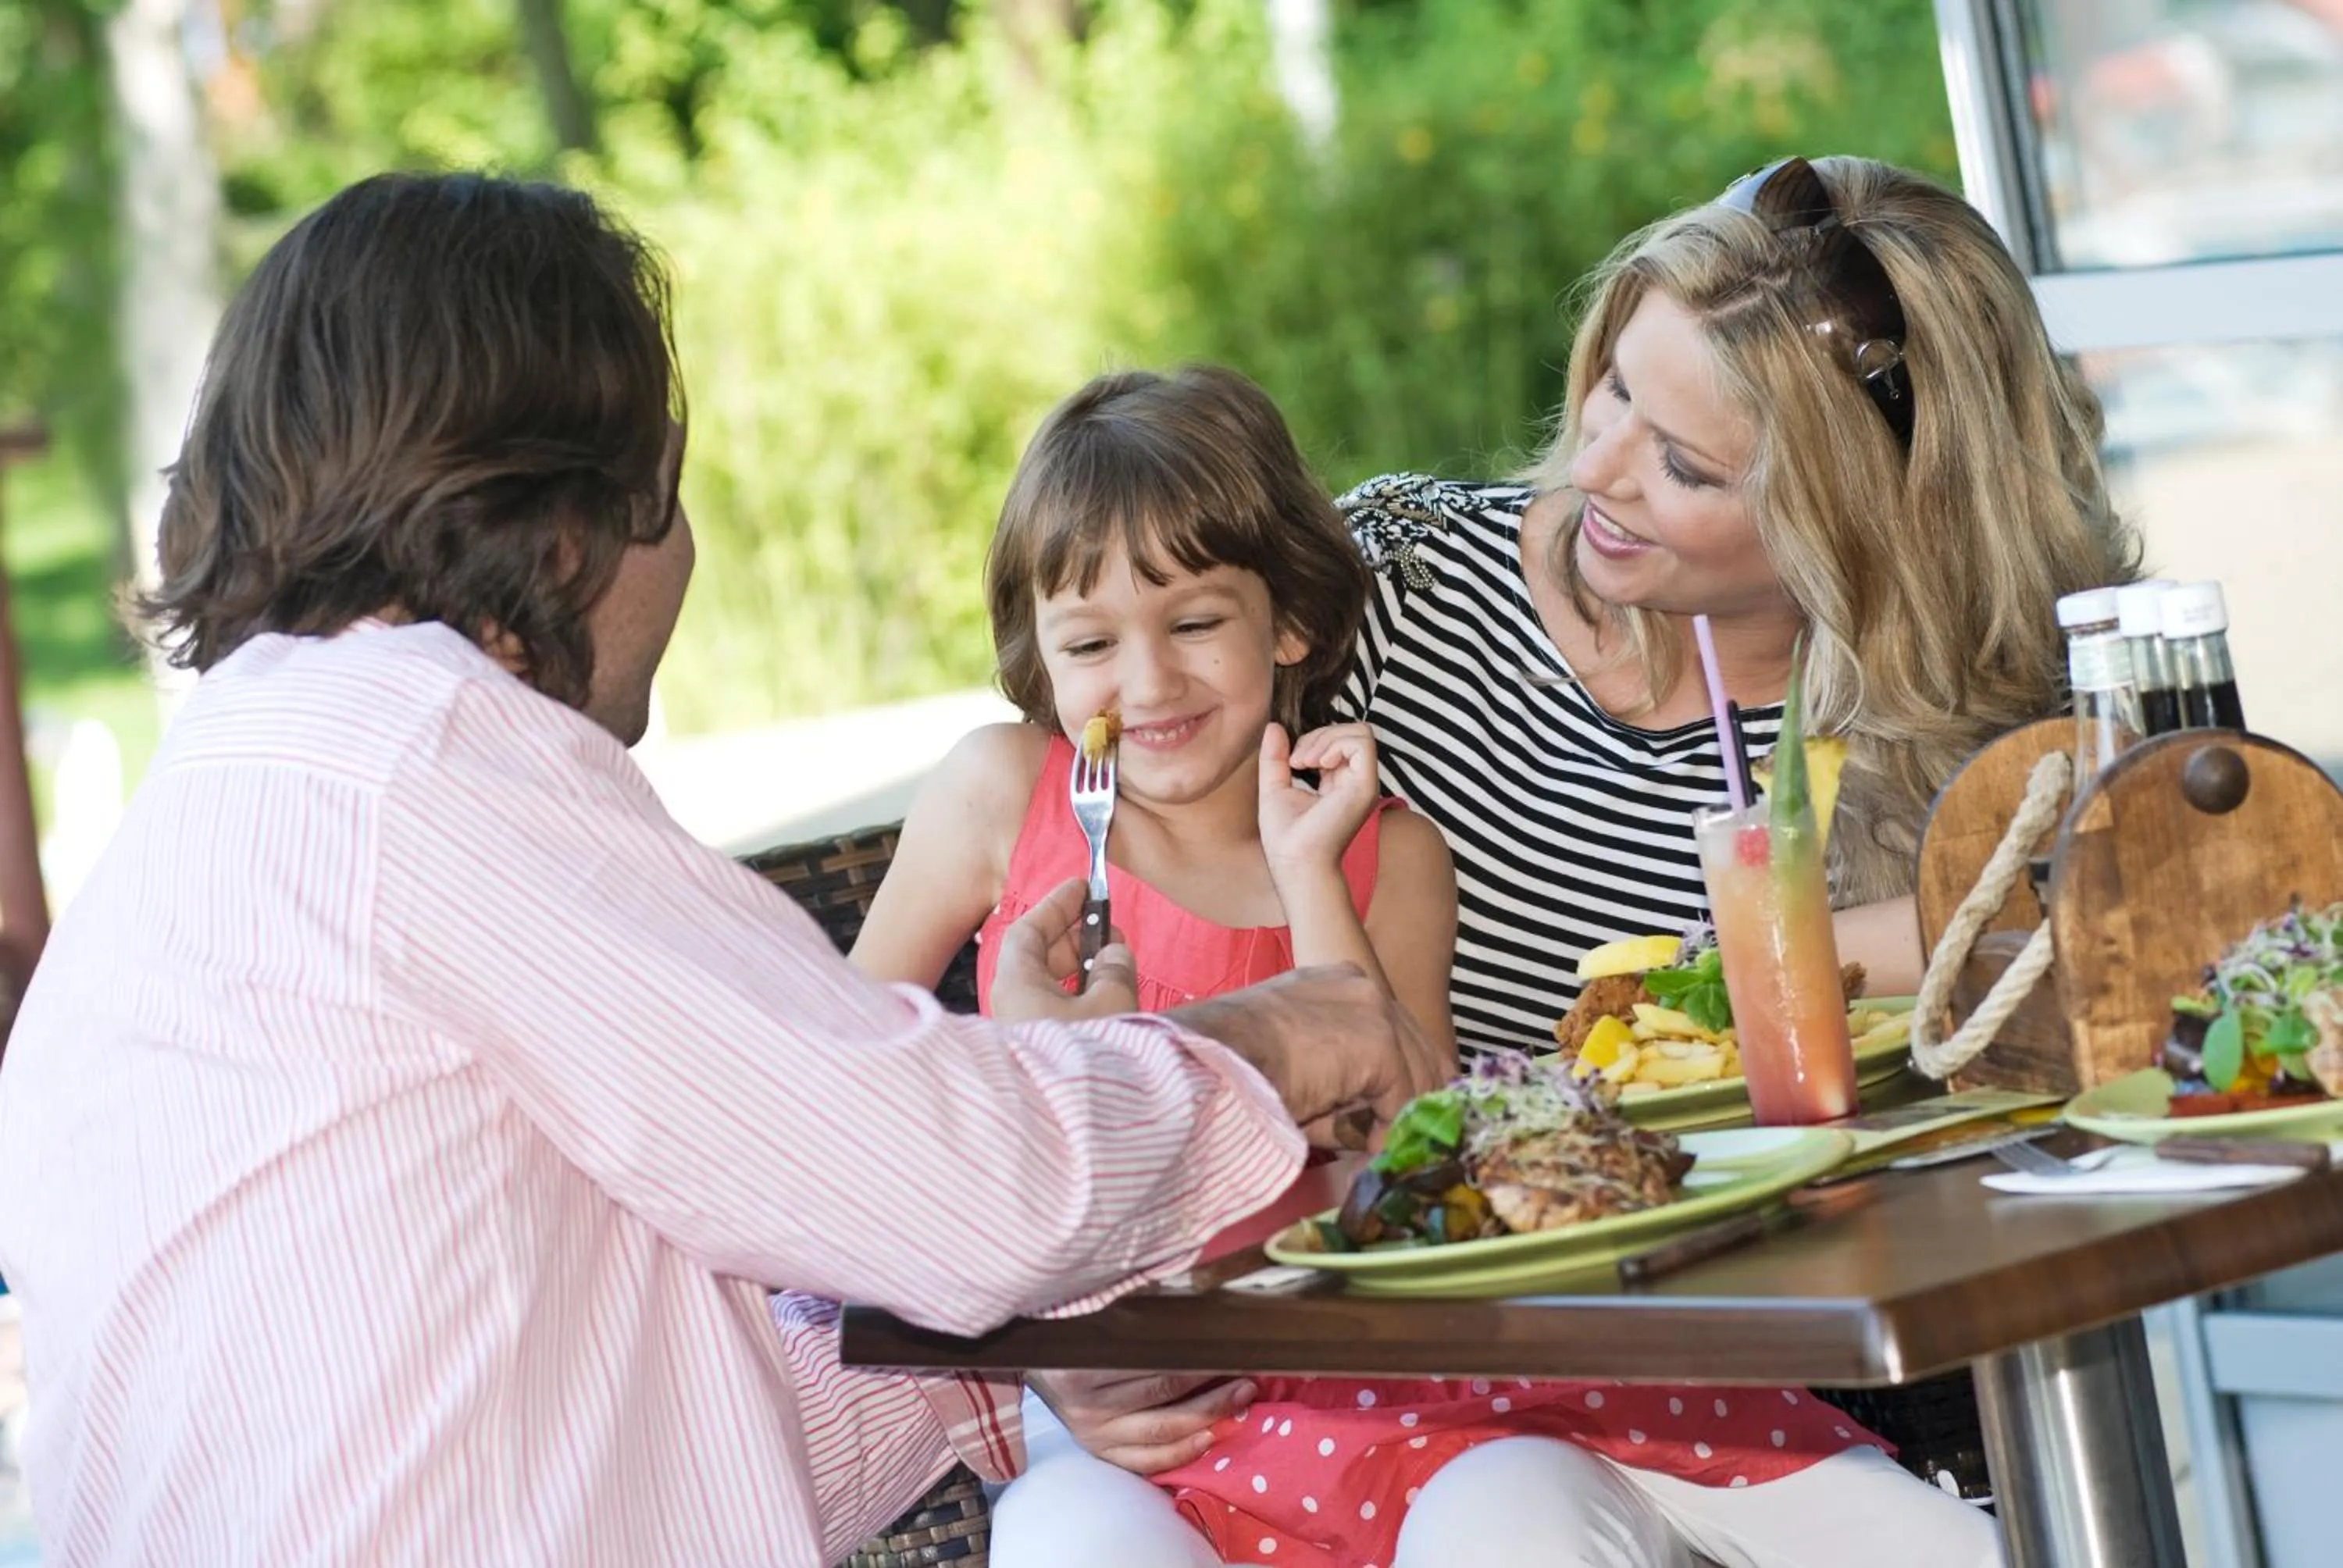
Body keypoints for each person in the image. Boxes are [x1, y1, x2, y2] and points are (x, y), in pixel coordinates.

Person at [0, 173, 1447, 1567]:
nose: (682, 557)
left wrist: (1017, 1363)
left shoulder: (223, 795)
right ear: (569, 521)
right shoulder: (434, 772)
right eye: (670, 495)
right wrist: (1284, 1030)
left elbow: (628, 1415)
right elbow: (952, 1181)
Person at [1045, 155, 2129, 1566]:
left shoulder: (1949, 740)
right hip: (1364, 1359)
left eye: (1687, 466)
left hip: (1720, 1377)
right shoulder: (1397, 589)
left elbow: (2110, 958)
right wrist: (1061, 1334)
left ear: (1859, 510)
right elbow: (1080, 794)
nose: (1599, 472)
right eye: (1617, 387)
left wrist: (1855, 941)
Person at [847, 364, 1459, 1567]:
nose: (1147, 684)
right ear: (1041, 651)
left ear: (1287, 619)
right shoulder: (999, 795)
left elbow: (1425, 1160)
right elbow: (851, 1094)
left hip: (1367, 1390)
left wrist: (1309, 881)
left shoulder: (1387, 858)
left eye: (1192, 624)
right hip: (1106, 1407)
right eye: (1091, 643)